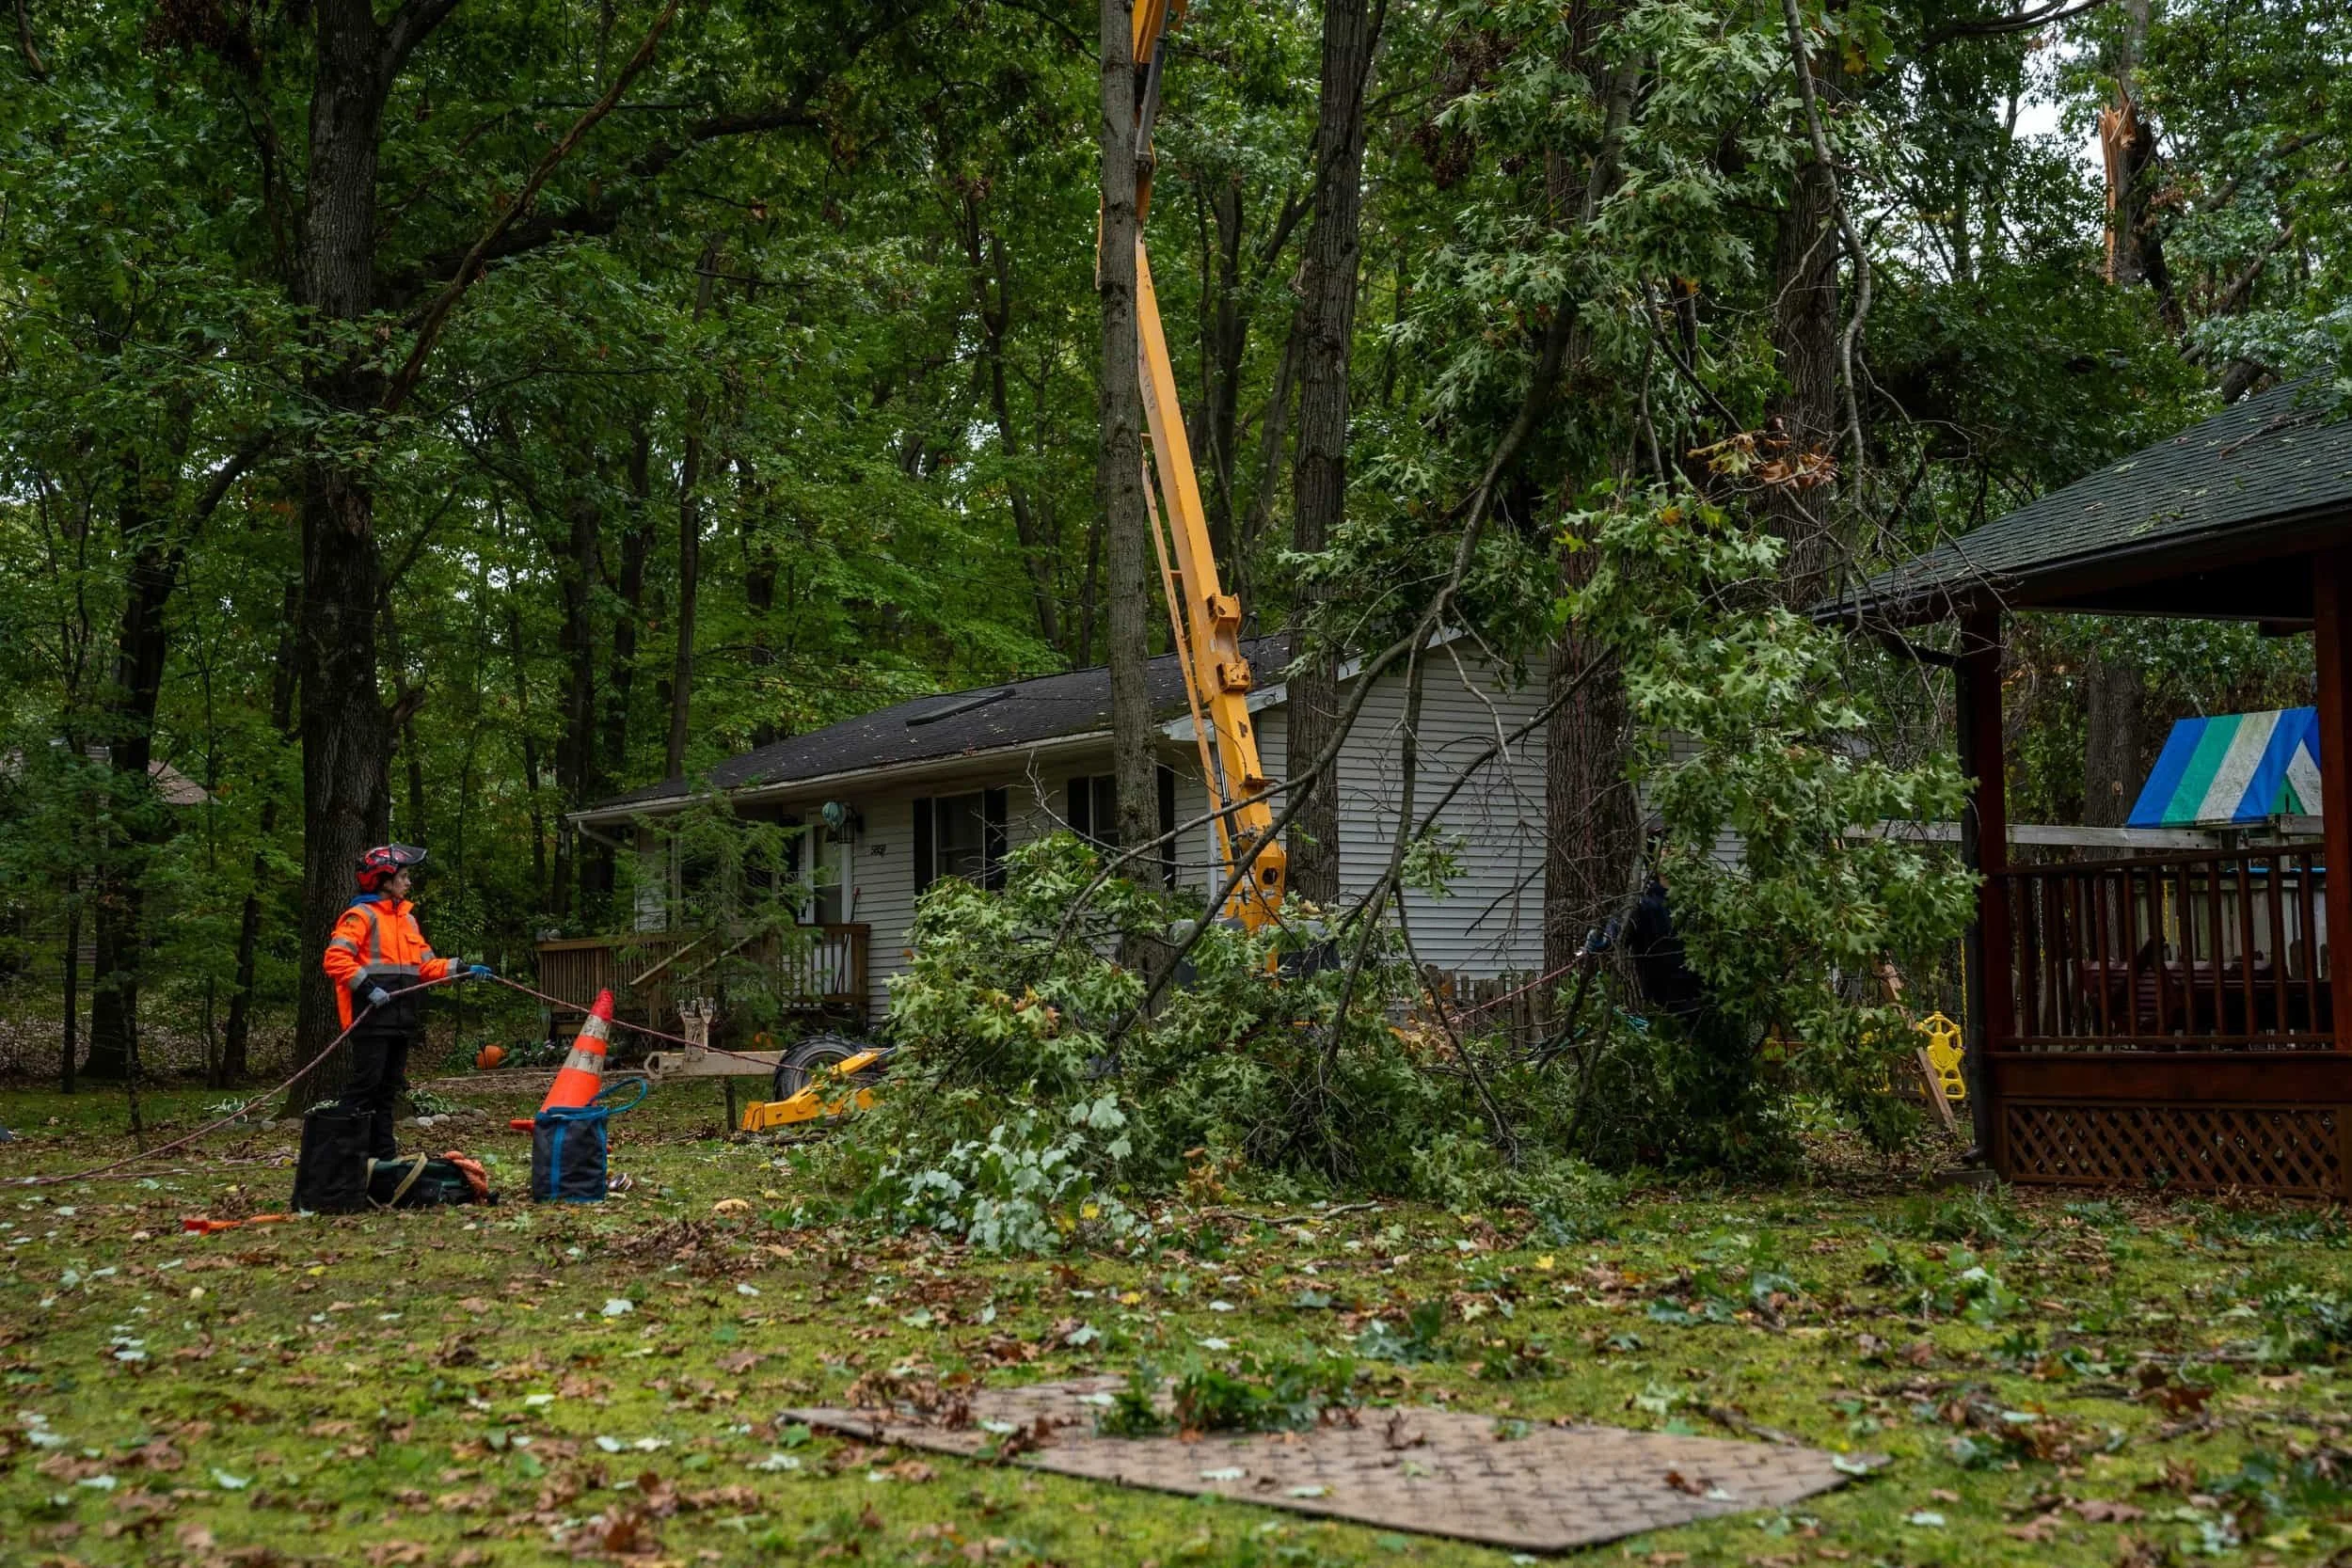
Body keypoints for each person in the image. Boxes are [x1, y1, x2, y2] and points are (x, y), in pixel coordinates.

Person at [320, 845, 491, 1161]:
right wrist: (368, 987)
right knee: (364, 1089)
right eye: (404, 876)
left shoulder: (408, 922)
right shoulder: (361, 916)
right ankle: (338, 1160)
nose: (408, 883)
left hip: (400, 1019)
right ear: (385, 881)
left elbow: (427, 966)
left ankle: (383, 1159)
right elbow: (335, 958)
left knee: (387, 1093)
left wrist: (463, 969)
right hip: (370, 1018)